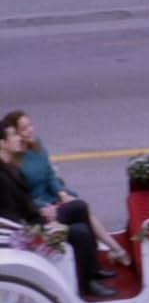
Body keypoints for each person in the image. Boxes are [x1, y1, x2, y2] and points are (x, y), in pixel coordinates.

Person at [0, 119, 118, 297]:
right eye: (14, 135)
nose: (19, 138)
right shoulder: (2, 177)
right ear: (3, 143)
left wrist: (44, 211)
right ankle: (85, 284)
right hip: (27, 231)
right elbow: (11, 216)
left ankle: (92, 269)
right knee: (80, 232)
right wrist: (44, 228)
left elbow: (25, 202)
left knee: (78, 207)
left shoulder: (10, 167)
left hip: (36, 218)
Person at [3, 110, 132, 266]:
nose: (29, 130)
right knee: (81, 221)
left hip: (51, 195)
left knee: (80, 206)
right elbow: (23, 200)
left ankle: (101, 258)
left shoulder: (36, 146)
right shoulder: (14, 163)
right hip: (40, 206)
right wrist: (44, 209)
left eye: (30, 125)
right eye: (23, 129)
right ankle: (113, 252)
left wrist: (61, 193)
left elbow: (49, 173)